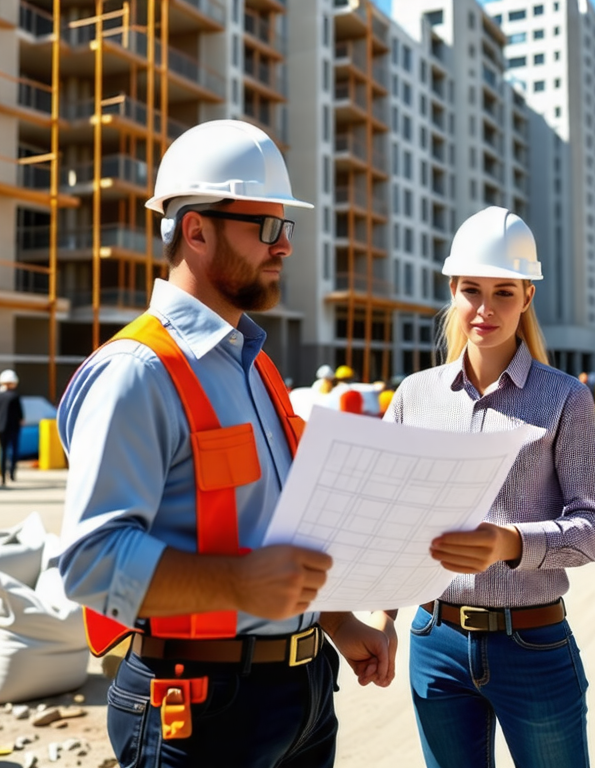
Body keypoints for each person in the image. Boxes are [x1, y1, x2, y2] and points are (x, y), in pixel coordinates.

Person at [56, 120, 394, 768]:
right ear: (196, 230)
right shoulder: (138, 371)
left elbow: (270, 532)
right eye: (266, 227)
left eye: (285, 227)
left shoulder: (255, 365)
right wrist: (239, 584)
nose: (284, 246)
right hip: (199, 708)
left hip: (302, 692)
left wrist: (336, 622)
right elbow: (90, 562)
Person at [386, 207, 595, 768]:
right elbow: (388, 516)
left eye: (504, 293)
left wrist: (509, 542)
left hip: (532, 645)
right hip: (435, 641)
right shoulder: (415, 396)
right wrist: (382, 617)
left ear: (527, 297)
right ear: (453, 291)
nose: (485, 309)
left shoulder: (565, 399)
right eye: (471, 291)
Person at [0, 369, 24, 487]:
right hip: (13, 427)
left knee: (3, 451)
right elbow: (20, 415)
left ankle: (2, 477)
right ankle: (12, 473)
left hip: (0, 427)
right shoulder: (15, 396)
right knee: (14, 450)